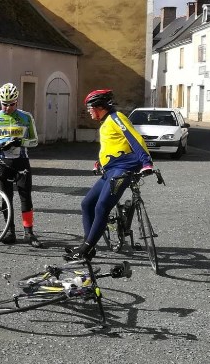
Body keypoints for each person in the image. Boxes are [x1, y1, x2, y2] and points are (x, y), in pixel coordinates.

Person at [65, 89, 154, 262]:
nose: (89, 111)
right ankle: (88, 245)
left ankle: (86, 249)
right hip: (110, 169)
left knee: (101, 207)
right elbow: (112, 146)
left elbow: (134, 138)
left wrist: (146, 162)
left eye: (90, 108)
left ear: (99, 107)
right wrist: (100, 162)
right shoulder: (106, 122)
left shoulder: (116, 118)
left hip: (123, 168)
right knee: (87, 204)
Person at [0, 83, 43, 247]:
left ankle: (29, 232)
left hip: (21, 162)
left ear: (17, 101)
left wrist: (21, 141)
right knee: (5, 198)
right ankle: (10, 231)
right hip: (3, 162)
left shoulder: (26, 117)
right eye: (4, 104)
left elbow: (35, 140)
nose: (8, 108)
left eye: (11, 104)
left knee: (26, 197)